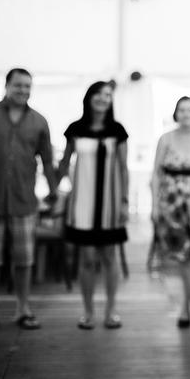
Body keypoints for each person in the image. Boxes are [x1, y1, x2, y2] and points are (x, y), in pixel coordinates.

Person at [0, 68, 58, 331]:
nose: (23, 90)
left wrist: (53, 191)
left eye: (28, 86)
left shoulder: (39, 121)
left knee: (24, 259)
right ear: (6, 86)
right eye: (18, 85)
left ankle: (23, 309)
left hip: (23, 200)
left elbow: (47, 161)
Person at [57, 81, 129, 330]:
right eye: (98, 94)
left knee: (109, 257)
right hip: (82, 205)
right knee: (86, 258)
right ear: (89, 97)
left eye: (107, 95)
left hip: (110, 205)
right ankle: (88, 311)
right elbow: (64, 164)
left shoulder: (117, 130)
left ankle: (111, 310)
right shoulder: (75, 129)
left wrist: (124, 202)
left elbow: (123, 168)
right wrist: (58, 189)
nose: (103, 98)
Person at [151, 96, 190, 329]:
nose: (186, 113)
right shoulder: (165, 139)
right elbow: (156, 173)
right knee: (183, 255)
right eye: (182, 110)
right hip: (172, 204)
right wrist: (154, 205)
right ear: (175, 113)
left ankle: (186, 309)